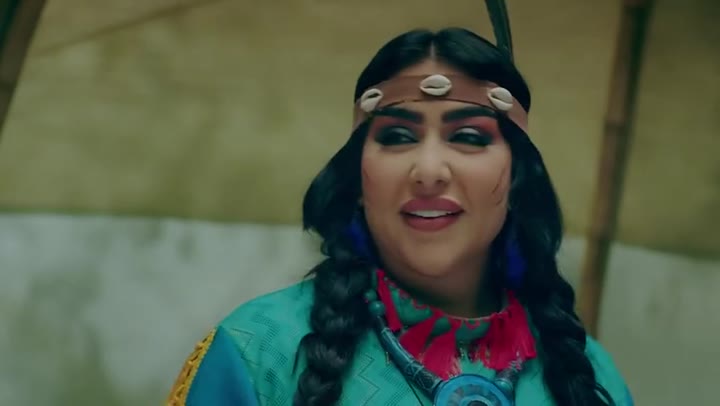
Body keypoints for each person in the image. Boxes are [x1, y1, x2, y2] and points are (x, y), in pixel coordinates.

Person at [166, 23, 633, 406]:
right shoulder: (258, 351)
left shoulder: (591, 375)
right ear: (357, 178)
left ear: (517, 179)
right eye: (396, 137)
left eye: (469, 137)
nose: (428, 171)